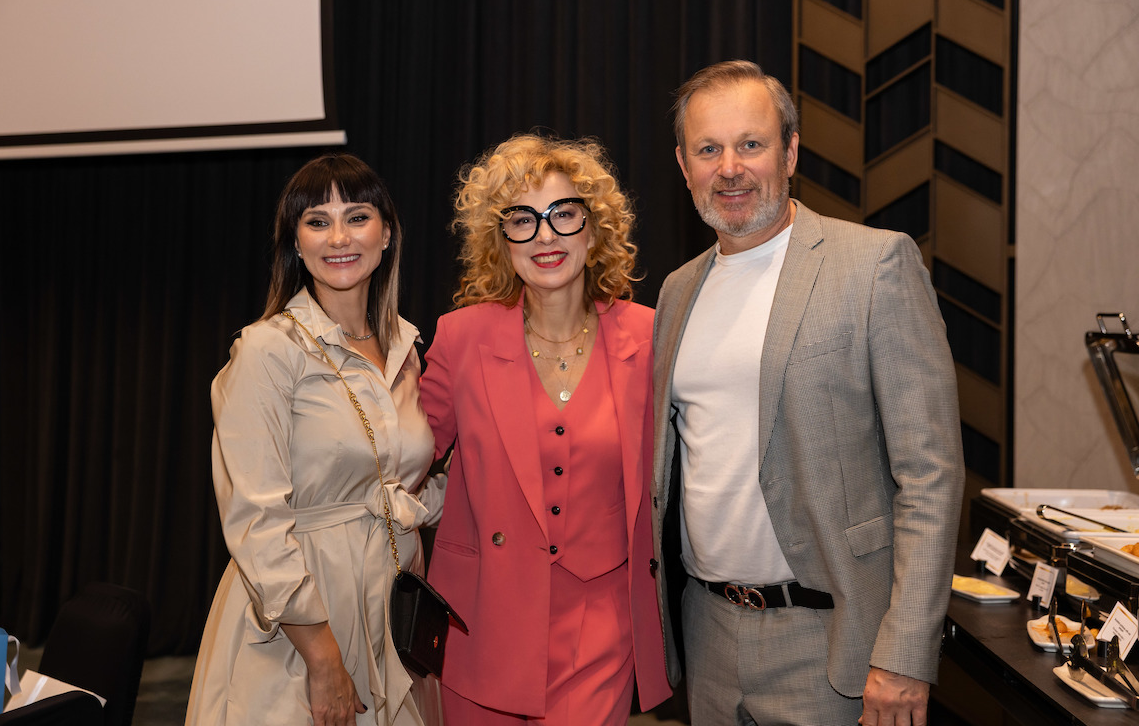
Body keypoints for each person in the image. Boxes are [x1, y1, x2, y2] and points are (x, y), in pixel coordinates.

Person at [651, 60, 964, 725]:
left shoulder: (874, 265)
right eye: (708, 149)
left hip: (832, 642)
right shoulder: (677, 292)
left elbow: (930, 475)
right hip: (706, 630)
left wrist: (906, 653)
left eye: (751, 144)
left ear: (790, 152)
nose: (729, 168)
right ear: (683, 165)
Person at [419, 134, 673, 724]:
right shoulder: (461, 338)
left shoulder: (650, 336)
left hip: (601, 627)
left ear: (594, 229)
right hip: (481, 620)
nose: (545, 236)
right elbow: (405, 456)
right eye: (522, 220)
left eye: (563, 215)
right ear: (500, 240)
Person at [185, 154, 445, 726]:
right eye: (318, 221)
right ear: (296, 244)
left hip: (389, 605)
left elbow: (399, 485)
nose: (339, 238)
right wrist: (322, 656)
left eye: (357, 217)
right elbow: (255, 518)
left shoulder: (406, 350)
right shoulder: (267, 350)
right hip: (298, 620)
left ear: (387, 235)